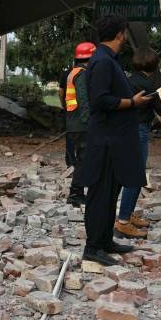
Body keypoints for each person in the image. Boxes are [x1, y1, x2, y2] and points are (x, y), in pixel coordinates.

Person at [80, 15, 151, 267]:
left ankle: (105, 240)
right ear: (120, 34)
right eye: (124, 34)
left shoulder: (109, 60)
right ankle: (92, 247)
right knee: (100, 195)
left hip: (115, 140)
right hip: (106, 141)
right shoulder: (102, 62)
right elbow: (100, 100)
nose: (125, 38)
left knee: (110, 194)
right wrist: (133, 102)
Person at [115, 47, 161, 239]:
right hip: (138, 131)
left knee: (134, 173)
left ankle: (128, 214)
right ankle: (123, 221)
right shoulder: (147, 87)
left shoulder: (128, 80)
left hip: (125, 130)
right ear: (155, 65)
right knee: (135, 175)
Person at [58, 42, 95, 207]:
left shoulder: (73, 73)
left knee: (81, 160)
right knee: (83, 160)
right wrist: (90, 122)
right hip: (81, 124)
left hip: (74, 123)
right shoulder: (82, 75)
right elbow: (84, 100)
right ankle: (75, 195)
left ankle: (77, 193)